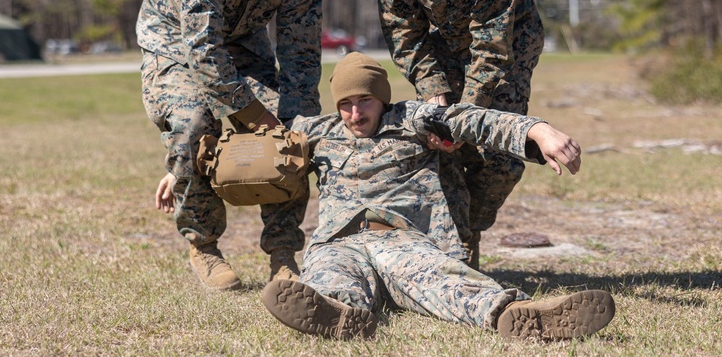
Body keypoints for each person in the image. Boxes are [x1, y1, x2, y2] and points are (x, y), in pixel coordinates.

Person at [260, 52, 615, 341]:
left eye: (365, 100)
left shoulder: (411, 119)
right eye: (346, 103)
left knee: (441, 279)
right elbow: (255, 153)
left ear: (381, 98)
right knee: (329, 277)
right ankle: (338, 314)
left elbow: (472, 121)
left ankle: (517, 315)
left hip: (401, 240)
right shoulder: (313, 132)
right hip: (338, 242)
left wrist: (535, 129)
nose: (355, 114)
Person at [139, 0, 322, 291]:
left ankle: (282, 254)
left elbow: (302, 57)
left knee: (290, 131)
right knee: (193, 122)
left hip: (242, 46)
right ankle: (203, 246)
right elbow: (202, 49)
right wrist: (252, 114)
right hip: (173, 43)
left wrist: (295, 124)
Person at [375, 0, 546, 269]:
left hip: (509, 49)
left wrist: (465, 115)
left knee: (500, 158)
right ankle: (456, 246)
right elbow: (404, 35)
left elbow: (491, 46)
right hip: (444, 50)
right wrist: (435, 91)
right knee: (441, 147)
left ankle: (471, 227)